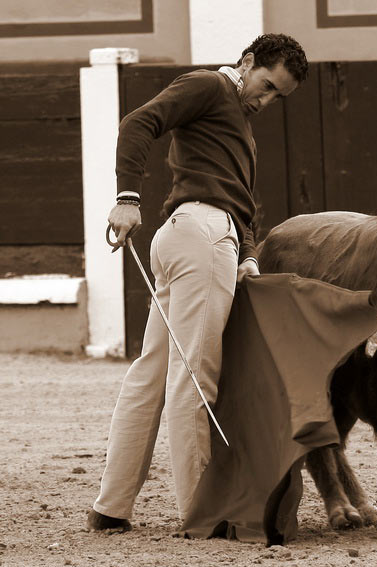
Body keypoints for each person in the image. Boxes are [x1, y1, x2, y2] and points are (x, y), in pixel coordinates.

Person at [87, 34, 308, 531]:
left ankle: (111, 506)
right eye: (267, 85)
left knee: (153, 373)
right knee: (194, 376)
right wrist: (127, 196)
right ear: (247, 62)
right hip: (202, 237)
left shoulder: (230, 116)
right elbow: (139, 122)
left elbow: (234, 198)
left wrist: (247, 255)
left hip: (192, 235)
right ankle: (202, 513)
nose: (266, 100)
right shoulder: (210, 85)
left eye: (278, 97)